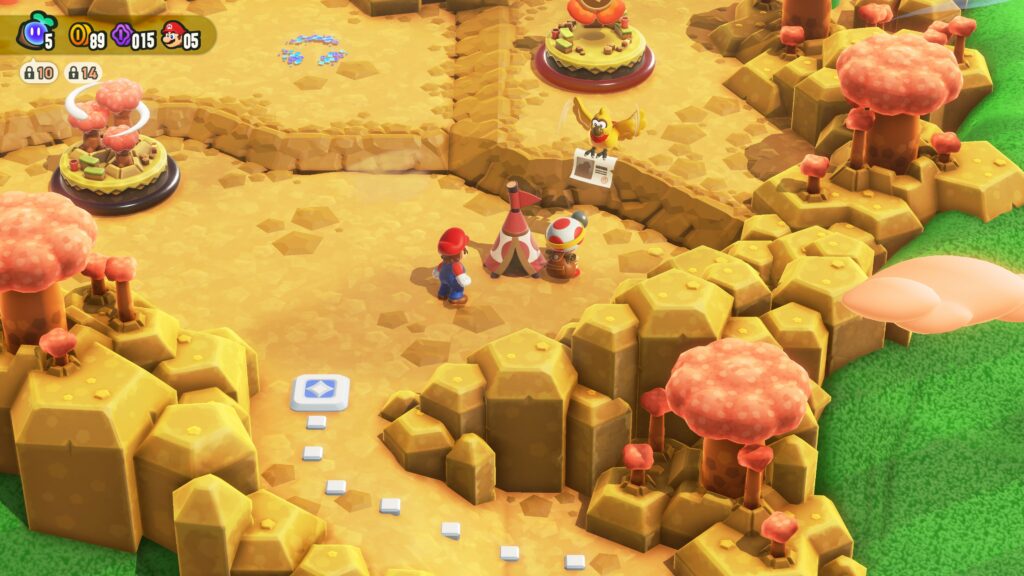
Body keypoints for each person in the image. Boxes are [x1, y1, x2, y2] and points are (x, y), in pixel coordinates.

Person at [432, 227, 472, 307]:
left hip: (443, 278)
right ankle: (456, 297)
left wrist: (436, 272)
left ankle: (442, 294)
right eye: (464, 250)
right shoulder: (456, 265)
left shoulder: (444, 262)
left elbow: (439, 267)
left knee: (444, 285)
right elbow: (460, 275)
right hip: (453, 281)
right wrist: (464, 279)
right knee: (457, 287)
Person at [545, 211, 588, 279]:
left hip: (555, 250)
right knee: (574, 259)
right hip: (564, 255)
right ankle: (573, 269)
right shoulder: (576, 227)